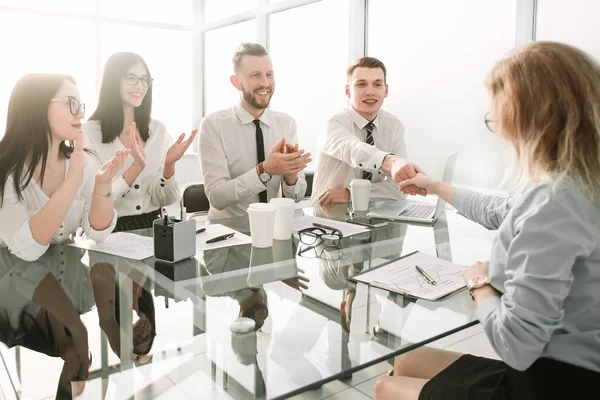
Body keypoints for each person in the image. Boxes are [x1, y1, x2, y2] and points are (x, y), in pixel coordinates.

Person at [374, 41, 600, 399]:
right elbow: (504, 210)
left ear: (529, 119)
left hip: (555, 380)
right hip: (577, 364)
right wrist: (437, 187)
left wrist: (479, 283)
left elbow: (516, 345)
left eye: (497, 118)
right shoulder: (579, 183)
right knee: (405, 361)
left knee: (386, 386)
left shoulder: (554, 202)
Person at [0, 73, 126, 261]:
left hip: (70, 279)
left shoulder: (82, 161)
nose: (81, 114)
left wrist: (103, 186)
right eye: (70, 103)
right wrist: (71, 184)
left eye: (79, 105)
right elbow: (26, 250)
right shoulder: (6, 169)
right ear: (36, 108)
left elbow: (98, 233)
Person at [83, 52, 196, 231]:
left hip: (153, 226)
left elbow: (164, 200)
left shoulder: (158, 130)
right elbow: (91, 201)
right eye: (131, 78)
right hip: (107, 229)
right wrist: (134, 169)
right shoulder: (88, 133)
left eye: (145, 79)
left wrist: (169, 167)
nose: (140, 86)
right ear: (113, 80)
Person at [199, 42, 310, 220]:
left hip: (275, 228)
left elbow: (295, 198)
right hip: (229, 235)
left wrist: (291, 177)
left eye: (269, 74)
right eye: (255, 75)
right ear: (236, 82)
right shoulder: (214, 124)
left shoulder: (286, 123)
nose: (265, 83)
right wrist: (264, 170)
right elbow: (217, 197)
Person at [311, 57, 425, 207]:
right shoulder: (334, 124)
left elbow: (399, 189)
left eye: (377, 84)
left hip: (373, 216)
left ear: (386, 90)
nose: (370, 91)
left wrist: (350, 193)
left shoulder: (393, 125)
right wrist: (391, 161)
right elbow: (353, 150)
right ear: (348, 91)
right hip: (327, 218)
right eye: (361, 84)